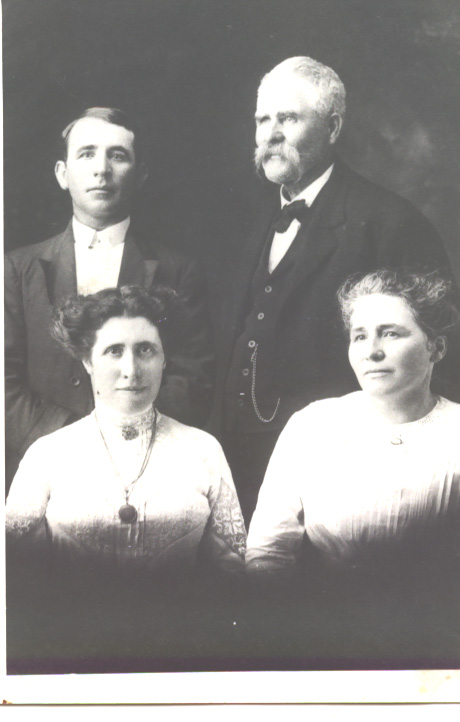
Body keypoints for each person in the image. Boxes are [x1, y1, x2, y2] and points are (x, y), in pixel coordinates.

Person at [208, 56, 456, 525]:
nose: (271, 134)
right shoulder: (243, 219)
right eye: (262, 120)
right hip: (235, 453)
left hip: (342, 469)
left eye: (288, 118)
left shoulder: (391, 222)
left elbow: (439, 357)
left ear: (333, 127)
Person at [245, 269, 460, 661]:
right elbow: (268, 554)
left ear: (436, 348)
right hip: (323, 639)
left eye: (390, 334)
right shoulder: (313, 425)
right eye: (359, 336)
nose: (371, 351)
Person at [4, 107, 214, 489]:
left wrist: (127, 442)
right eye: (87, 154)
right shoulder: (16, 269)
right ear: (62, 174)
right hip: (46, 469)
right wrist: (72, 441)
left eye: (118, 155)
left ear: (140, 174)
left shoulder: (178, 270)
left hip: (148, 470)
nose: (101, 169)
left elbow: (192, 378)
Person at [6, 284, 245, 576]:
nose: (131, 370)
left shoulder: (203, 450)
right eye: (114, 351)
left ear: (164, 359)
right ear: (87, 361)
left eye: (145, 350)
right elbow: (17, 572)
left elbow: (231, 569)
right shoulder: (47, 454)